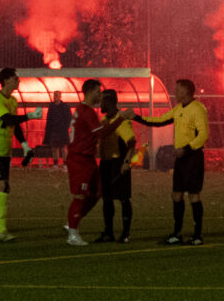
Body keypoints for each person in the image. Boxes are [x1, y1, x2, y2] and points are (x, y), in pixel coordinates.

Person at [132, 77, 209, 245]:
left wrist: (186, 149)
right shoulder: (179, 109)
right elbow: (160, 121)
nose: (175, 92)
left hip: (193, 158)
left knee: (194, 195)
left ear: (186, 91)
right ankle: (177, 234)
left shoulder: (198, 109)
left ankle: (197, 236)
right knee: (176, 195)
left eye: (178, 90)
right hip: (181, 159)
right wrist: (136, 117)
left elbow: (203, 135)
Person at [0, 68, 39, 242]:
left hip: (4, 151)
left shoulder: (12, 100)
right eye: (15, 78)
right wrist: (31, 115)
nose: (18, 81)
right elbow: (8, 119)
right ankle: (2, 231)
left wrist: (24, 144)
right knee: (3, 186)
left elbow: (15, 124)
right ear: (5, 80)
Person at [64, 79, 127, 246]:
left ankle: (72, 222)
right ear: (90, 92)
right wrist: (120, 118)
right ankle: (72, 234)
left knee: (97, 192)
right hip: (79, 159)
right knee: (80, 195)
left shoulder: (84, 110)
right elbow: (102, 134)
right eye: (98, 92)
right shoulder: (87, 111)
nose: (100, 95)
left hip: (88, 159)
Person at [95, 89, 136, 243]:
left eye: (102, 100)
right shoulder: (104, 120)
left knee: (123, 198)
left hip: (118, 163)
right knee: (107, 198)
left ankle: (126, 233)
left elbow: (131, 142)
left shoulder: (122, 119)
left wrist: (126, 162)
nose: (100, 104)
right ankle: (108, 232)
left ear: (109, 101)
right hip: (105, 163)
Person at [42, 91, 72, 166]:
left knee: (63, 148)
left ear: (60, 96)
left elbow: (69, 118)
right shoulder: (51, 106)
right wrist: (48, 129)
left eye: (57, 95)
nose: (55, 97)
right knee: (54, 148)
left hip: (62, 130)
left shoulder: (65, 106)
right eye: (54, 95)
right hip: (54, 130)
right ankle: (55, 165)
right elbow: (49, 118)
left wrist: (65, 127)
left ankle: (65, 165)